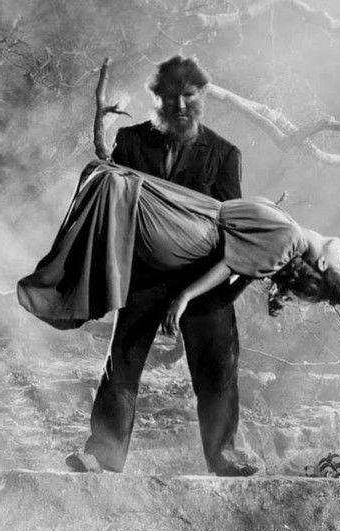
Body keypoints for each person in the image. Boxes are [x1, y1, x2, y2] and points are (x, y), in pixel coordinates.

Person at [17, 161, 340, 476]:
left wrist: (188, 299)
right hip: (180, 245)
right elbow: (234, 262)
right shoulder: (288, 232)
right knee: (128, 355)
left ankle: (221, 456)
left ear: (323, 264)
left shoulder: (288, 236)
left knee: (210, 366)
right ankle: (104, 453)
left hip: (190, 258)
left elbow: (233, 267)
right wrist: (189, 298)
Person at [85, 54, 252, 477]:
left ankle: (224, 454)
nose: (180, 105)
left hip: (203, 279)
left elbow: (231, 230)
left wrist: (195, 293)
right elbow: (113, 205)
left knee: (218, 366)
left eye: (189, 95)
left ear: (202, 95)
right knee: (121, 364)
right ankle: (103, 454)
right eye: (170, 96)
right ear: (155, 97)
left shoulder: (223, 154)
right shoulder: (131, 142)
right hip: (145, 273)